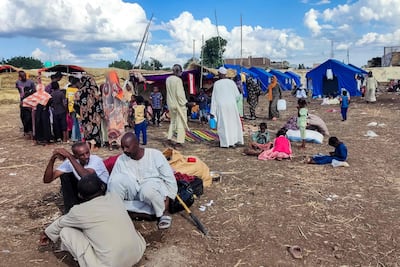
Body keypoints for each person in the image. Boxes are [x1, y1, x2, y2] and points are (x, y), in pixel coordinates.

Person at [39, 173, 146, 267]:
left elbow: (60, 224)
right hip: (137, 252)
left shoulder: (78, 211)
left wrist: (47, 233)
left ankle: (84, 261)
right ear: (103, 187)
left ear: (80, 195)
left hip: (111, 264)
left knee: (66, 231)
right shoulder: (114, 197)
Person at [107, 132, 178, 229]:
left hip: (152, 194)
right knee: (116, 180)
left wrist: (168, 203)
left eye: (127, 147)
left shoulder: (155, 155)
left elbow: (169, 179)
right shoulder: (121, 160)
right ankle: (119, 212)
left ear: (137, 143)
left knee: (147, 190)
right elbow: (113, 183)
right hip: (133, 195)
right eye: (122, 147)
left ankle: (161, 213)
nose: (125, 150)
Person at [43, 141, 109, 213]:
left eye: (87, 153)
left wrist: (69, 156)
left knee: (88, 181)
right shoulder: (71, 162)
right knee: (65, 176)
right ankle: (71, 210)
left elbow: (87, 176)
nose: (86, 156)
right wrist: (53, 159)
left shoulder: (95, 159)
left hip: (101, 190)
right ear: (76, 155)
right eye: (82, 155)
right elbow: (47, 180)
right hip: (87, 190)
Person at [210, 67, 244, 148]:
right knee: (232, 123)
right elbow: (237, 95)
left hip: (221, 106)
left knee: (224, 124)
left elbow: (214, 98)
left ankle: (226, 143)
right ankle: (234, 141)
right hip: (231, 105)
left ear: (219, 74)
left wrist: (212, 111)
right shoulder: (231, 82)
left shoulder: (217, 84)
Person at [76, 76, 104, 150]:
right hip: (95, 116)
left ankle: (88, 145)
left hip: (85, 115)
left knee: (87, 131)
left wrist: (81, 113)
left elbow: (76, 105)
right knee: (95, 130)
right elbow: (100, 104)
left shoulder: (79, 92)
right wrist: (101, 113)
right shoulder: (96, 92)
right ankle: (95, 146)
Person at [165, 64, 188, 148]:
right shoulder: (178, 80)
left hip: (170, 104)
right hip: (179, 105)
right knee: (181, 122)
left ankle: (169, 138)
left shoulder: (168, 79)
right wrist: (185, 103)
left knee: (173, 121)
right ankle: (179, 141)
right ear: (180, 71)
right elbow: (180, 94)